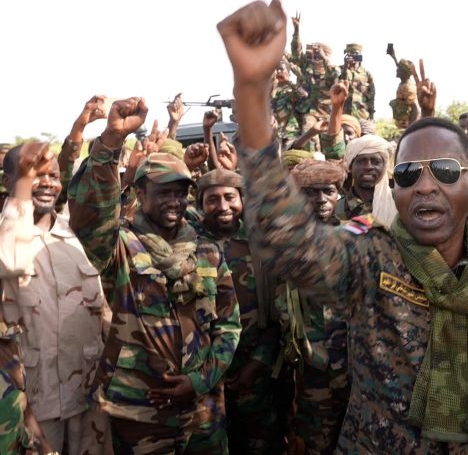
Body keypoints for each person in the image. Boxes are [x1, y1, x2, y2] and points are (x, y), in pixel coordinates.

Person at [217, 0, 468, 453]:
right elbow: (288, 241)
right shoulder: (370, 258)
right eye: (409, 174)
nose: (425, 186)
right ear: (395, 190)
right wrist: (252, 93)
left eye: (444, 172)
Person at [68, 103, 241, 454]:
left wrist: (200, 380)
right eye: (164, 192)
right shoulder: (120, 247)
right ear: (140, 194)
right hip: (139, 412)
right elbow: (91, 217)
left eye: (179, 192)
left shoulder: (206, 250)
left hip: (203, 409)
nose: (174, 201)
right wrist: (111, 141)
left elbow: (228, 325)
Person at [0, 141, 111, 455]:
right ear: (9, 181)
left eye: (53, 175)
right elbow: (12, 261)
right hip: (33, 407)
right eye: (34, 174)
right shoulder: (7, 238)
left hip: (87, 398)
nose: (47, 182)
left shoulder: (75, 236)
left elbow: (101, 310)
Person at [193, 168, 288, 454]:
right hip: (204, 372)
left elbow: (277, 314)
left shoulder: (262, 244)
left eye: (230, 197)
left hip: (254, 371)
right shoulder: (187, 243)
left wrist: (257, 363)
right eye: (212, 199)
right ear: (201, 205)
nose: (223, 206)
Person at [281, 159, 351, 454]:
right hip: (313, 366)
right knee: (316, 442)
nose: (321, 199)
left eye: (328, 191)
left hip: (353, 363)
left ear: (338, 194)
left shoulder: (356, 237)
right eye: (310, 192)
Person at [335, 134, 397, 226]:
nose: (368, 167)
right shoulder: (336, 209)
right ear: (350, 167)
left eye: (375, 162)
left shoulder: (400, 202)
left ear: (385, 167)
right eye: (361, 161)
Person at [341, 43, 375, 121]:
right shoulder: (339, 70)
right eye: (350, 54)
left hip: (361, 113)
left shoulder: (367, 74)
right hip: (344, 113)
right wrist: (345, 66)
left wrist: (372, 116)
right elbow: (340, 80)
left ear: (360, 55)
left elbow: (371, 96)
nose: (352, 56)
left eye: (355, 54)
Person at [387, 50, 419, 130]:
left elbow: (414, 108)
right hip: (402, 126)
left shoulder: (408, 88)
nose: (397, 70)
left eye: (399, 69)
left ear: (404, 72)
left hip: (406, 126)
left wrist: (411, 128)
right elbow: (402, 67)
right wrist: (394, 57)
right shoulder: (403, 82)